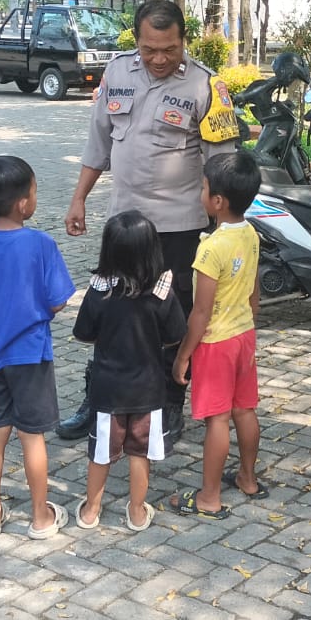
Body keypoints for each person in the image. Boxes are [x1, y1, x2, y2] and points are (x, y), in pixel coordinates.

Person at [60, 0, 241, 442]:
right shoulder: (117, 73)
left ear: (184, 41)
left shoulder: (207, 86)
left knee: (172, 315)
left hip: (179, 224)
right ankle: (99, 400)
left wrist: (224, 227)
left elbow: (223, 166)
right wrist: (78, 199)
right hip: (122, 223)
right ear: (137, 42)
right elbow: (97, 144)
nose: (159, 59)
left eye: (170, 49)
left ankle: (168, 403)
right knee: (111, 308)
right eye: (149, 49)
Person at [0, 156, 76, 540]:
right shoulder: (41, 244)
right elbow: (59, 300)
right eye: (35, 191)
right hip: (31, 355)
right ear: (25, 203)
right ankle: (41, 517)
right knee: (32, 437)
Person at [71, 211, 187, 532]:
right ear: (153, 250)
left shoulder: (100, 290)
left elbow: (84, 333)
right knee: (140, 453)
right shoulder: (161, 291)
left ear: (107, 250)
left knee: (101, 452)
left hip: (107, 389)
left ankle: (91, 510)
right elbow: (175, 334)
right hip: (148, 390)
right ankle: (136, 511)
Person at [170, 152, 265, 520]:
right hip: (243, 336)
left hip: (215, 344)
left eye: (203, 187)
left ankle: (209, 497)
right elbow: (254, 288)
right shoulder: (251, 233)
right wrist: (250, 320)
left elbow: (200, 311)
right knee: (245, 410)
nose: (201, 192)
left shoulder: (210, 248)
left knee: (217, 419)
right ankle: (248, 478)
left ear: (218, 202)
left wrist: (183, 355)